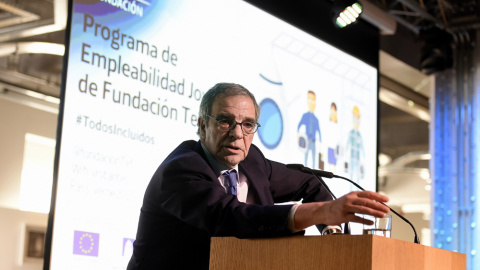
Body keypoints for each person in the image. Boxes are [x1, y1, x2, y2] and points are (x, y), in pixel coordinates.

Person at [127, 83, 389, 270]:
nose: (237, 134)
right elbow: (230, 218)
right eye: (224, 121)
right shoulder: (181, 169)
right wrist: (320, 211)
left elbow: (309, 182)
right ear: (202, 125)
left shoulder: (253, 162)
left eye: (248, 124)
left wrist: (331, 232)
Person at [297, 90, 322, 168]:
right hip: (307, 140)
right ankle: (305, 171)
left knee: (314, 157)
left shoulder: (316, 119)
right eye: (310, 100)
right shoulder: (305, 116)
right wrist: (298, 135)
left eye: (313, 101)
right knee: (306, 156)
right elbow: (299, 125)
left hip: (313, 141)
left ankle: (314, 173)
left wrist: (321, 144)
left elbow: (319, 132)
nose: (312, 103)